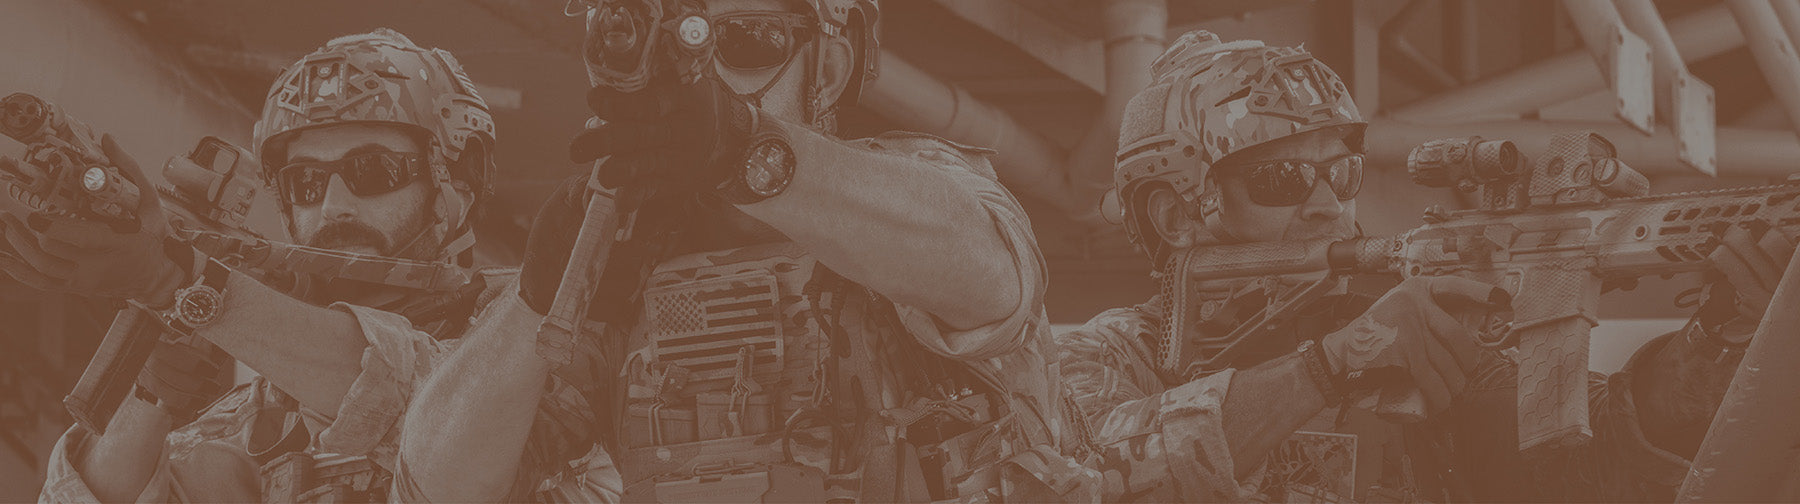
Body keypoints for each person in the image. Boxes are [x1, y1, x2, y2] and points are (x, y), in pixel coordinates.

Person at [395, 0, 1093, 502]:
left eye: (745, 41)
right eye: (671, 50)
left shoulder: (916, 186)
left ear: (825, 69)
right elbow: (434, 485)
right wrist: (537, 295)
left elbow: (988, 274)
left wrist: (745, 151)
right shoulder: (625, 256)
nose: (700, 78)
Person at [1060, 30, 1798, 502]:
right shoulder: (1100, 360)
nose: (1326, 207)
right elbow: (1095, 480)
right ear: (1177, 213)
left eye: (1341, 176)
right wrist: (1331, 364)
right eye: (1282, 182)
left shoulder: (1413, 349)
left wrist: (1720, 341)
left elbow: (1595, 467)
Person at [15, 29, 605, 502]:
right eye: (303, 183)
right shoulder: (259, 416)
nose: (334, 204)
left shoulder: (545, 329)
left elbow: (425, 413)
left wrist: (185, 284)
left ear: (460, 178)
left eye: (373, 171)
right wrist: (153, 382)